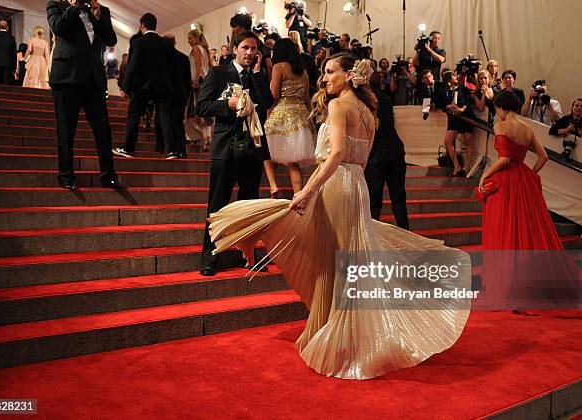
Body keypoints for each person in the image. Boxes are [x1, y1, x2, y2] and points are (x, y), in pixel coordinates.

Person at [207, 53, 471, 379]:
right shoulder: (369, 113)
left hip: (335, 183)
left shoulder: (337, 106)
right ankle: (334, 327)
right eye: (324, 72)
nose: (324, 78)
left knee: (327, 251)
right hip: (355, 185)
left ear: (348, 75)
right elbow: (358, 163)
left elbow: (336, 155)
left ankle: (341, 337)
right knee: (345, 257)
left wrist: (307, 190)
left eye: (331, 72)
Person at [477, 90, 581, 312]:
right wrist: (529, 174)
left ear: (502, 107)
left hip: (505, 183)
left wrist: (485, 175)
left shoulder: (500, 126)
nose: (496, 112)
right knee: (525, 232)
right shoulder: (527, 128)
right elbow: (543, 157)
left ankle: (508, 287)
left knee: (504, 231)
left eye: (497, 108)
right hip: (523, 181)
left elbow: (504, 159)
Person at [197, 31, 274, 277]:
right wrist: (226, 105)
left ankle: (248, 256)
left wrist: (260, 73)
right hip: (225, 149)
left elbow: (267, 101)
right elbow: (202, 106)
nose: (250, 53)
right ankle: (209, 257)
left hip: (251, 151)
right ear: (234, 49)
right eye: (245, 48)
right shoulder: (219, 74)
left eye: (254, 49)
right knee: (217, 205)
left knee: (249, 205)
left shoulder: (257, 77)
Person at [46, 0, 122, 190]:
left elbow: (111, 39)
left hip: (93, 78)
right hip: (66, 76)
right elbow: (59, 28)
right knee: (66, 130)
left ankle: (108, 175)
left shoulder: (101, 9)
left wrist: (97, 17)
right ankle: (66, 175)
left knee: (103, 130)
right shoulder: (56, 4)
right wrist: (75, 7)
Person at [113, 13, 178, 160]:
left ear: (142, 25)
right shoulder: (166, 44)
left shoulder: (139, 42)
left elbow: (133, 66)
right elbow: (173, 68)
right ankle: (171, 150)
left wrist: (125, 87)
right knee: (165, 116)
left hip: (142, 86)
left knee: (134, 115)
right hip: (162, 86)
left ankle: (129, 148)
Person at [264, 38, 316, 195]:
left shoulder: (278, 67)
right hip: (300, 116)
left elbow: (273, 95)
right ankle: (298, 194)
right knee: (293, 162)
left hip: (281, 113)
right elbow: (307, 98)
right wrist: (310, 119)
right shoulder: (303, 71)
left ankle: (273, 185)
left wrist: (267, 114)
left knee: (266, 153)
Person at [365, 78, 409, 229]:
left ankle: (371, 239)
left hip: (376, 157)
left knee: (374, 201)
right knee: (398, 198)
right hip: (395, 152)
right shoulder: (386, 98)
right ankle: (406, 233)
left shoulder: (363, 101)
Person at [159, 32, 191, 159]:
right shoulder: (183, 57)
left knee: (166, 122)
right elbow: (187, 80)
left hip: (165, 94)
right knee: (178, 123)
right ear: (175, 42)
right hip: (180, 94)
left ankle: (171, 150)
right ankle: (181, 150)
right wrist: (186, 95)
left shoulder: (161, 58)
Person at [438, 70, 475, 177]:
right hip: (453, 118)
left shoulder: (463, 88)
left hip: (465, 117)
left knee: (468, 142)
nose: (456, 77)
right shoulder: (444, 91)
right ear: (449, 79)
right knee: (448, 142)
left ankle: (467, 167)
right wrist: (447, 107)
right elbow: (442, 104)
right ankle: (457, 166)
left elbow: (468, 102)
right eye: (454, 76)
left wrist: (462, 109)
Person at [184, 28, 214, 151]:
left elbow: (199, 65)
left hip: (199, 82)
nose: (188, 41)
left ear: (196, 38)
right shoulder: (205, 50)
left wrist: (196, 79)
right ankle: (204, 137)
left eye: (190, 38)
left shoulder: (196, 48)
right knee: (199, 112)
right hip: (204, 82)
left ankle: (203, 137)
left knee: (194, 111)